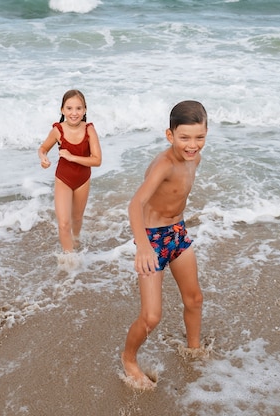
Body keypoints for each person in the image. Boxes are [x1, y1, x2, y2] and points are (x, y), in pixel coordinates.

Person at [121, 100, 208, 389]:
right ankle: (128, 358)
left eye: (199, 137)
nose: (192, 145)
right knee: (151, 316)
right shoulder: (164, 164)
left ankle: (194, 350)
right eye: (184, 137)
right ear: (170, 135)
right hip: (153, 239)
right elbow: (135, 205)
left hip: (177, 232)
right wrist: (143, 246)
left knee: (194, 299)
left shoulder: (194, 157)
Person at [38, 89, 102, 253]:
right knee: (64, 223)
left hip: (83, 179)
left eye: (78, 108)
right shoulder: (57, 130)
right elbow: (43, 148)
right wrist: (43, 157)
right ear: (62, 110)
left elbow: (97, 160)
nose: (74, 113)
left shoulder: (89, 130)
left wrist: (72, 157)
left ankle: (76, 239)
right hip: (63, 179)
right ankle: (70, 260)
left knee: (77, 218)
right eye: (69, 108)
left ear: (85, 110)